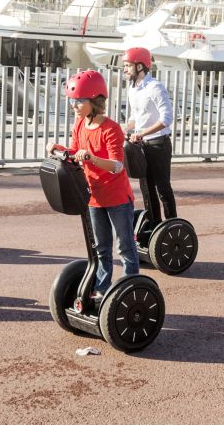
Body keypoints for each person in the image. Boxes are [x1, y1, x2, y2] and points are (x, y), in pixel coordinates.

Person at [47, 70, 138, 302]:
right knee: (101, 248)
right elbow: (76, 152)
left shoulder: (111, 128)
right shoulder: (79, 125)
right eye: (73, 101)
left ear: (95, 101)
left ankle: (131, 288)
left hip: (117, 197)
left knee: (125, 247)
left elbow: (117, 165)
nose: (74, 106)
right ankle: (101, 288)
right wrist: (58, 148)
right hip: (93, 196)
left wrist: (92, 159)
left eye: (79, 101)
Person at [121, 47, 177, 219]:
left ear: (139, 66)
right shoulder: (133, 89)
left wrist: (142, 133)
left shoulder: (155, 87)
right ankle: (155, 225)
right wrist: (126, 128)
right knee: (146, 188)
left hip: (158, 145)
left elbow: (167, 118)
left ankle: (172, 224)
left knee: (162, 188)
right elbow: (136, 116)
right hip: (141, 145)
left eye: (128, 65)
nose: (125, 69)